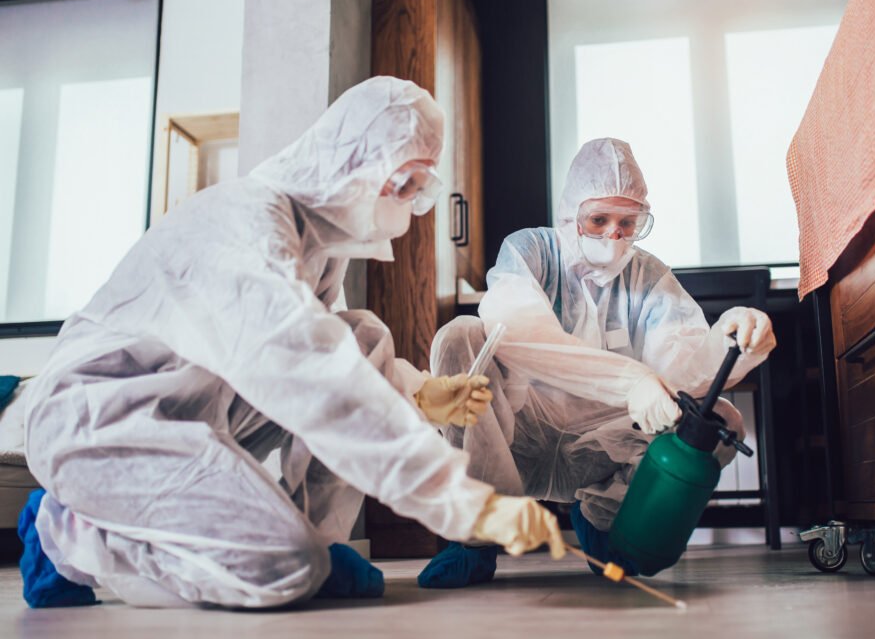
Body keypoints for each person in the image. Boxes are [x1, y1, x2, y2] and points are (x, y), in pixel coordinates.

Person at [18, 76, 564, 610]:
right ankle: (68, 533)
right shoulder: (248, 228)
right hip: (99, 422)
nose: (412, 203)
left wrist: (419, 391)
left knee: (364, 334)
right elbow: (312, 375)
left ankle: (319, 541)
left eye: (420, 188)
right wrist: (461, 501)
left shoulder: (319, 242)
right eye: (406, 184)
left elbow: (330, 351)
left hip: (184, 408)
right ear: (355, 164)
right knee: (285, 566)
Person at [418, 138, 775, 588]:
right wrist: (631, 381)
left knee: (719, 419)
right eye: (599, 219)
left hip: (603, 443)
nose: (614, 235)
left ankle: (605, 521)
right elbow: (518, 329)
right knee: (460, 337)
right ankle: (476, 538)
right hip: (519, 428)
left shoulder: (649, 277)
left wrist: (729, 340)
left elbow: (681, 369)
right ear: (571, 214)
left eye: (628, 223)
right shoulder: (532, 250)